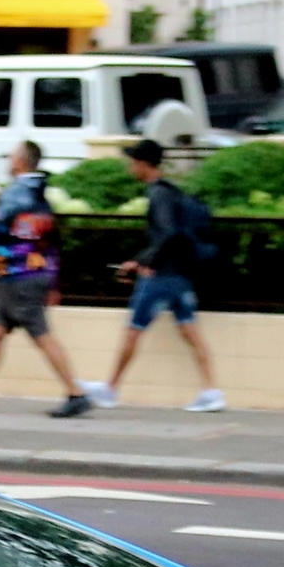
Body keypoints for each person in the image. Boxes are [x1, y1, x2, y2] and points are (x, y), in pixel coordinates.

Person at [0, 141, 90, 418]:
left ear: (21, 162)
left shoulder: (14, 195)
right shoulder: (41, 198)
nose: (8, 159)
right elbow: (51, 243)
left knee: (42, 336)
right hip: (29, 274)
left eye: (12, 155)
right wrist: (53, 281)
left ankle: (76, 393)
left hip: (18, 276)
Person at [86, 139, 224, 413]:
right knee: (191, 332)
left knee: (133, 331)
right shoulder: (172, 192)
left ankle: (110, 389)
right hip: (180, 276)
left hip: (161, 277)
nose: (129, 166)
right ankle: (211, 391)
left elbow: (168, 233)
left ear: (142, 163)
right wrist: (141, 260)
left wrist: (144, 263)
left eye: (132, 161)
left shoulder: (158, 195)